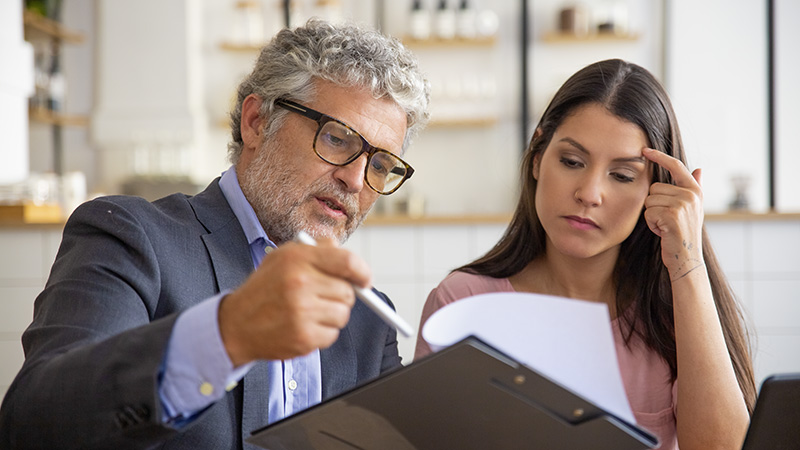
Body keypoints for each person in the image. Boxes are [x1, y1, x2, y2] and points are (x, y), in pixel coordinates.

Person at [0, 19, 429, 449]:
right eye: (337, 138)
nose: (356, 180)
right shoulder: (132, 237)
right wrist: (228, 334)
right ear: (257, 122)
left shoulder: (367, 319)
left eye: (379, 166)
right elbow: (34, 427)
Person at [415, 59, 755, 450]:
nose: (589, 193)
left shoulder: (672, 313)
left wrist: (688, 261)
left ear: (655, 190)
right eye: (572, 162)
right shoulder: (462, 301)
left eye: (623, 175)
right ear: (538, 158)